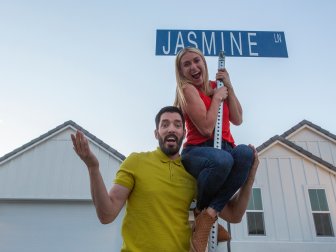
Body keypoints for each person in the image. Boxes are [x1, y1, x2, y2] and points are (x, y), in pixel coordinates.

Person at [71, 106, 259, 252]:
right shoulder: (136, 161)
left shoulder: (193, 174)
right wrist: (93, 167)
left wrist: (249, 178)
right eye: (165, 124)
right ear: (156, 133)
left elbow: (234, 215)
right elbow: (107, 214)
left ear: (184, 134)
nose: (171, 129)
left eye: (178, 125)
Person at [174, 47, 256, 251]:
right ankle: (202, 211)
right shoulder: (187, 90)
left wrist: (228, 86)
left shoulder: (217, 86)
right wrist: (218, 98)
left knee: (246, 153)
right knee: (222, 160)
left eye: (196, 61)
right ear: (181, 71)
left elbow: (238, 119)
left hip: (227, 149)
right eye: (187, 64)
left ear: (204, 63)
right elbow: (206, 127)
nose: (193, 67)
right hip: (198, 152)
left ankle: (208, 216)